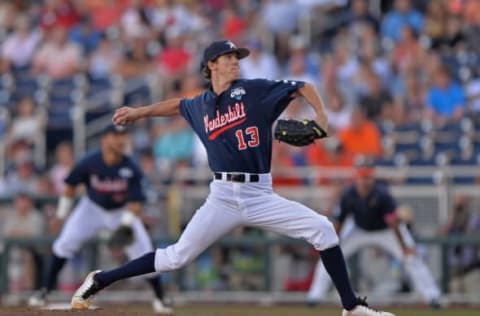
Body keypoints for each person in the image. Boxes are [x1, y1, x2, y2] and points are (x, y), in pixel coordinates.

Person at [71, 39, 394, 316]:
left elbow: (303, 87)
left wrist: (321, 116)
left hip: (259, 194)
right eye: (228, 59)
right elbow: (177, 106)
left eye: (236, 59)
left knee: (323, 229)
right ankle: (101, 279)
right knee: (176, 257)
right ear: (211, 65)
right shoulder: (199, 104)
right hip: (223, 196)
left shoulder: (253, 91)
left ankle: (350, 307)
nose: (234, 63)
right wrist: (140, 112)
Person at [28, 124, 172, 314]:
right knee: (64, 244)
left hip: (122, 211)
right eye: (115, 135)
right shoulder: (90, 162)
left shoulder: (131, 166)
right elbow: (70, 186)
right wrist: (61, 215)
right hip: (92, 208)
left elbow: (136, 202)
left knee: (144, 251)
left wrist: (126, 226)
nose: (121, 140)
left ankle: (160, 298)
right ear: (104, 139)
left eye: (123, 136)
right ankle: (44, 291)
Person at [307, 157, 441, 308]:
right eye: (362, 176)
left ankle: (432, 296)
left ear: (372, 177)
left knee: (411, 257)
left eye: (368, 176)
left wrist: (404, 246)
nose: (365, 180)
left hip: (386, 231)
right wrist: (331, 243)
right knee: (330, 255)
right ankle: (314, 296)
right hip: (359, 230)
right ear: (357, 177)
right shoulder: (348, 194)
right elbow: (340, 222)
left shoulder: (382, 193)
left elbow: (394, 222)